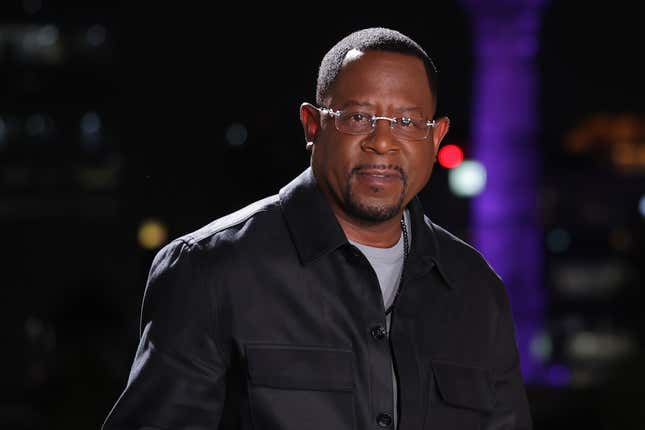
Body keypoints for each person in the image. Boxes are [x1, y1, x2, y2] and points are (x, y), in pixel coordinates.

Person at [103, 27, 532, 430]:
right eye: (358, 117)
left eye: (405, 122)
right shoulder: (210, 269)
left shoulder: (476, 289)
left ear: (436, 138)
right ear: (313, 125)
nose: (381, 141)